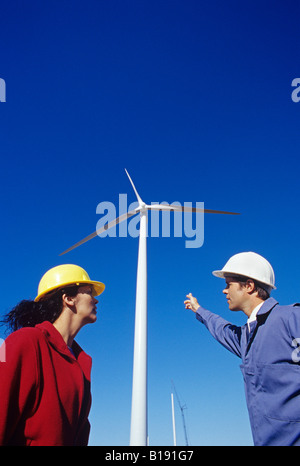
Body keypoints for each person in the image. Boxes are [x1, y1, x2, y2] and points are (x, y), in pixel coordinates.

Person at [184, 251, 300, 446]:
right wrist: (199, 310)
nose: (224, 291)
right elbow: (221, 329)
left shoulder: (290, 318)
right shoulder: (246, 338)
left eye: (228, 284)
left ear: (249, 286)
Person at [0, 264, 105, 446]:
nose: (95, 300)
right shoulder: (26, 341)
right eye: (89, 292)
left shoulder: (81, 363)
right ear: (68, 298)